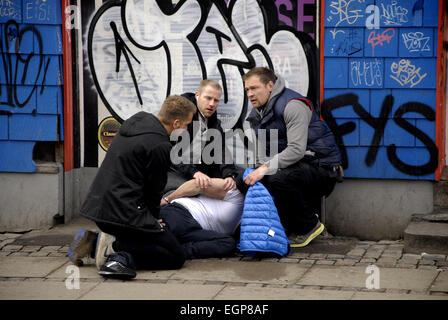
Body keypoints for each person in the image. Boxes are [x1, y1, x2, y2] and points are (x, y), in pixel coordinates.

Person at [68, 95, 196, 280]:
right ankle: (110, 248)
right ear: (176, 123)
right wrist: (153, 220)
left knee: (159, 243)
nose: (186, 129)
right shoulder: (159, 145)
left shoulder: (135, 124)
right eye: (186, 125)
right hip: (122, 214)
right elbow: (154, 191)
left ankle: (98, 242)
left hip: (101, 208)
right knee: (175, 256)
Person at [241, 67, 342, 247]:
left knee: (276, 178)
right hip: (298, 167)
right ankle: (274, 229)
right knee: (247, 180)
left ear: (270, 85)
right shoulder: (259, 112)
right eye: (247, 89)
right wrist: (255, 171)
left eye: (254, 88)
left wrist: (263, 169)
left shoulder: (292, 105)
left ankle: (309, 226)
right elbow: (262, 151)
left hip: (323, 169)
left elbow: (296, 150)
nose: (250, 93)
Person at [167, 80, 241, 194]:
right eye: (208, 98)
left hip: (197, 174)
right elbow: (173, 152)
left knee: (231, 190)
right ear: (197, 95)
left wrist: (229, 174)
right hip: (174, 172)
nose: (212, 104)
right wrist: (194, 172)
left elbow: (220, 150)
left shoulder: (212, 120)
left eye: (216, 100)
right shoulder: (182, 115)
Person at [159, 178, 244, 259]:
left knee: (228, 243)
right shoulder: (233, 191)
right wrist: (168, 199)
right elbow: (196, 184)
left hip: (195, 232)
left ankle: (175, 252)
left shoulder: (248, 226)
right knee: (159, 235)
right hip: (182, 213)